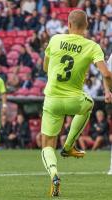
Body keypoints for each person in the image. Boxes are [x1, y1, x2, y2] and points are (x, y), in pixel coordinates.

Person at [40, 10, 112, 197]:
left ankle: (54, 174)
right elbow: (106, 74)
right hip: (75, 100)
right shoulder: (93, 46)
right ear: (87, 26)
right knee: (88, 104)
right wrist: (108, 90)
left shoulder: (55, 40)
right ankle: (69, 146)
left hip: (52, 100)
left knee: (47, 144)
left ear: (68, 24)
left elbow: (45, 67)